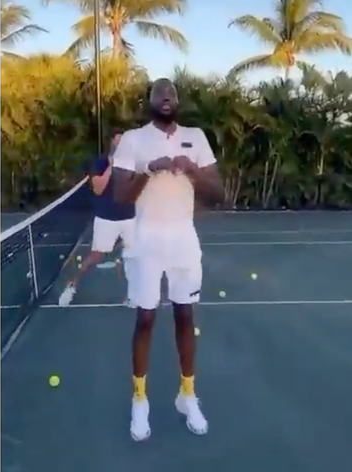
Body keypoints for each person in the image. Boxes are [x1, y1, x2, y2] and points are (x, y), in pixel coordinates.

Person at [111, 78, 225, 441]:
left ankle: (187, 394)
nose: (165, 97)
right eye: (158, 93)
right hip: (146, 241)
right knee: (145, 319)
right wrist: (150, 169)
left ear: (178, 101)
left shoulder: (196, 137)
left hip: (184, 240)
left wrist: (191, 168)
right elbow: (119, 198)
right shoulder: (133, 140)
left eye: (171, 93)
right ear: (149, 101)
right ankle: (140, 400)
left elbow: (219, 193)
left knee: (184, 315)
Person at [58, 130, 135, 306]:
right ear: (112, 144)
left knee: (136, 257)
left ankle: (133, 295)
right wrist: (111, 167)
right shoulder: (100, 163)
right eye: (118, 143)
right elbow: (98, 189)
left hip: (129, 218)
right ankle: (71, 288)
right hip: (106, 218)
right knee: (95, 256)